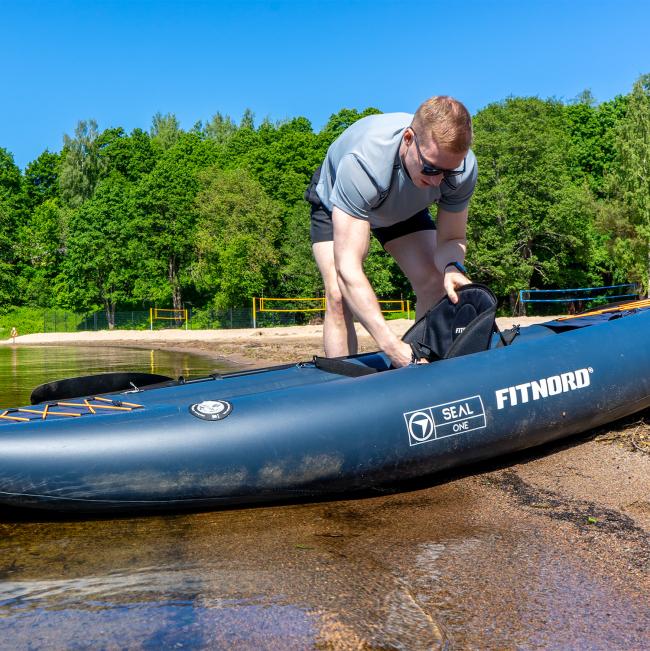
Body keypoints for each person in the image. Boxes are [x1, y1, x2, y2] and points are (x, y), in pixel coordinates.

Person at [305, 96, 478, 368]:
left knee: (435, 281)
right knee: (339, 295)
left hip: (403, 205)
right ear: (408, 139)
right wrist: (391, 346)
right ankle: (341, 389)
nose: (436, 181)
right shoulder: (363, 164)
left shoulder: (462, 170)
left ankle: (426, 367)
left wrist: (453, 267)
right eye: (431, 167)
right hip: (338, 199)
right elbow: (348, 269)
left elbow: (453, 239)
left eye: (448, 171)